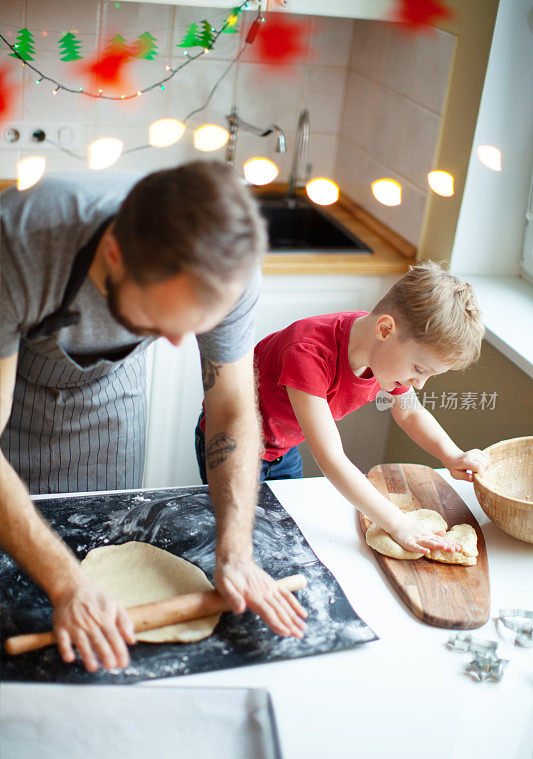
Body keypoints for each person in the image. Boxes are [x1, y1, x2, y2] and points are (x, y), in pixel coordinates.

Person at [0, 161, 307, 673]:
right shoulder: (22, 243)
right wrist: (67, 585)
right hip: (16, 389)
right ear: (115, 254)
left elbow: (231, 407)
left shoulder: (230, 267)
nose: (171, 342)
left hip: (109, 400)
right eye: (158, 321)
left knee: (102, 537)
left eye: (191, 327)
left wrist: (234, 546)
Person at [197, 263, 490, 556]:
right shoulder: (307, 352)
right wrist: (396, 523)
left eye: (429, 376)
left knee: (279, 531)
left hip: (283, 450)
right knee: (240, 538)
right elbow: (330, 458)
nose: (420, 383)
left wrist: (452, 454)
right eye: (419, 369)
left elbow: (411, 413)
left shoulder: (383, 354)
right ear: (385, 329)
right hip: (232, 447)